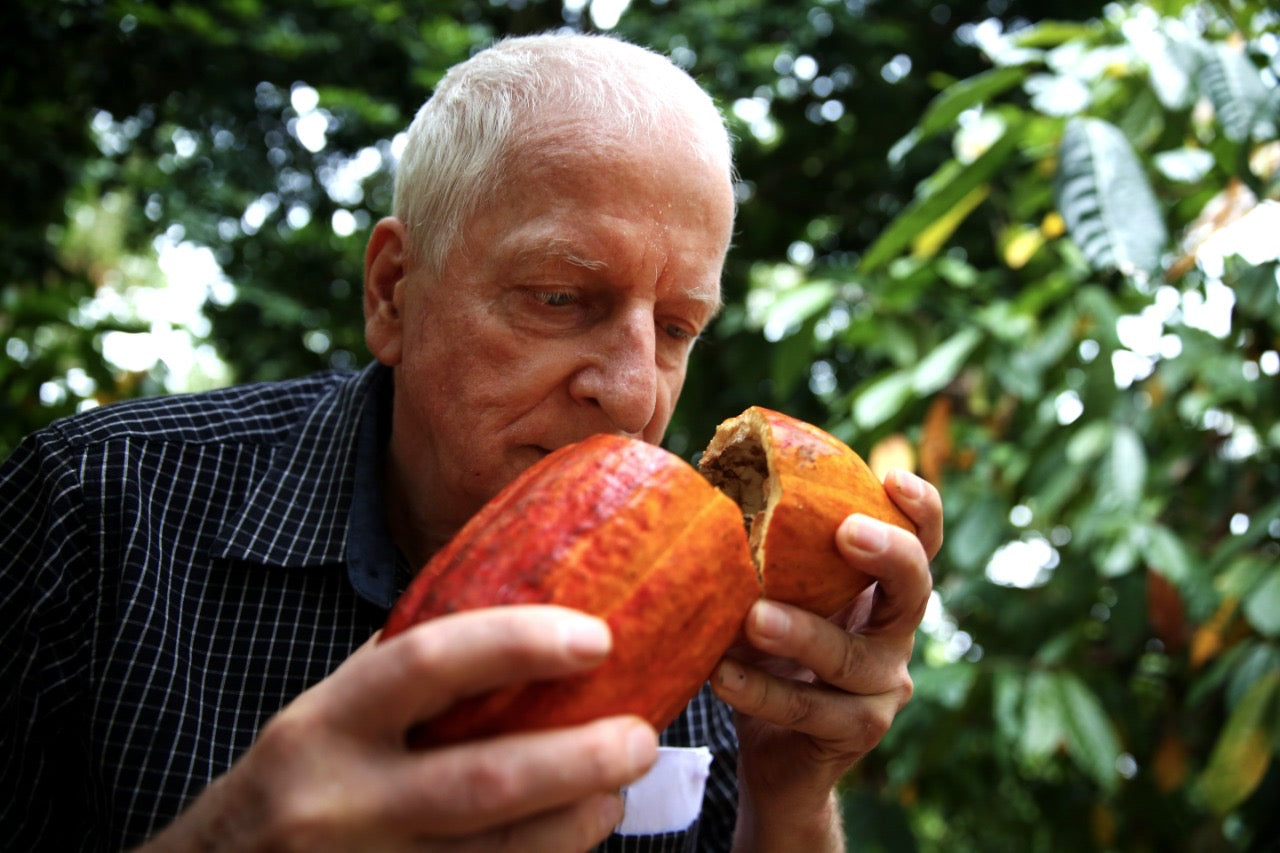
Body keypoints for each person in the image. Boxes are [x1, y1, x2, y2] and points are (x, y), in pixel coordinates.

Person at [0, 31, 941, 852]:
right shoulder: (98, 507)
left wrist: (788, 795)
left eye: (677, 327)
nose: (631, 393)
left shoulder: (713, 625)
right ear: (393, 293)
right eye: (561, 297)